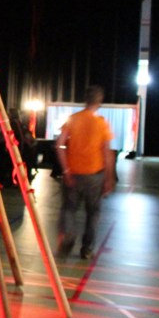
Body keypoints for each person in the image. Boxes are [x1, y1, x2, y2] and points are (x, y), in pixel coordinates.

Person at [55, 85, 116, 260]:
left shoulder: (73, 119)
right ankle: (87, 248)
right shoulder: (102, 123)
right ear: (100, 101)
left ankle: (68, 235)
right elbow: (108, 154)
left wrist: (66, 169)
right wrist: (109, 179)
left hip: (73, 174)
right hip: (94, 175)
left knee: (68, 209)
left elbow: (59, 145)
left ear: (85, 99)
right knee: (93, 213)